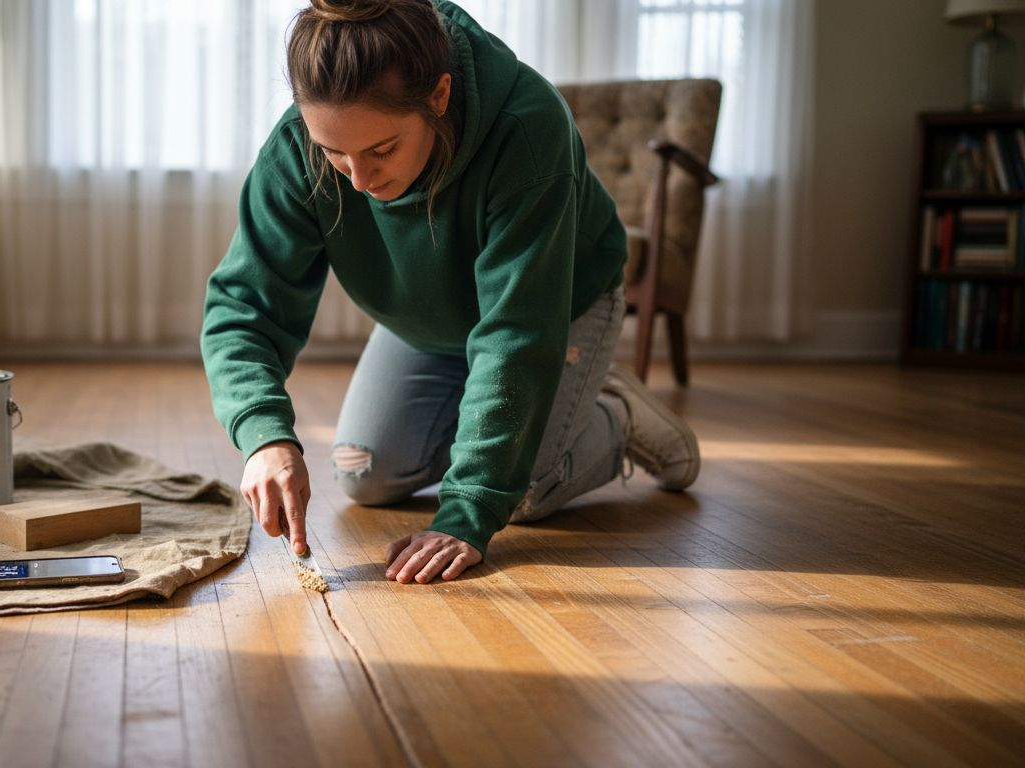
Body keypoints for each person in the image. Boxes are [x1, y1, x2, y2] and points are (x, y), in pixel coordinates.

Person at [201, 0, 699, 585]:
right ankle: (549, 406)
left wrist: (468, 510)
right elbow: (244, 309)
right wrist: (263, 435)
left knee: (520, 490)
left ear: (439, 96)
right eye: (334, 154)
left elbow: (518, 332)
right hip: (430, 320)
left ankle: (615, 413)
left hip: (558, 304)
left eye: (381, 150)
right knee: (366, 475)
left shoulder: (528, 126)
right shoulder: (296, 147)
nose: (358, 181)